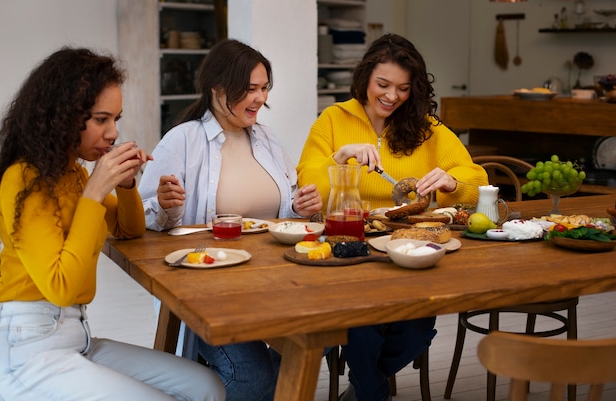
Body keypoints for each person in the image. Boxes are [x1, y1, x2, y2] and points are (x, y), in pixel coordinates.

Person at [0, 47, 225, 401]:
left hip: (76, 336)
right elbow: (61, 287)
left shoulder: (73, 175)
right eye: (102, 119)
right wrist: (96, 192)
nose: (113, 132)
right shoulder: (25, 180)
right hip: (28, 349)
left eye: (116, 119)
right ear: (63, 116)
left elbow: (129, 230)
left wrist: (127, 183)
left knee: (206, 387)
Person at [297, 34, 488, 401]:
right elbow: (312, 185)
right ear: (365, 77)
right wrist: (340, 157)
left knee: (418, 327)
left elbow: (478, 183)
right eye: (382, 85)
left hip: (410, 250)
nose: (391, 96)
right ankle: (370, 393)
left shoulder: (426, 128)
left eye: (402, 88)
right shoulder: (333, 120)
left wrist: (451, 182)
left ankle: (366, 386)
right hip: (350, 245)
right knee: (364, 325)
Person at [139, 39, 322, 401]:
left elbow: (286, 212)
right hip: (213, 290)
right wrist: (164, 205)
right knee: (251, 380)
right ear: (218, 89)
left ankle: (270, 384)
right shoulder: (183, 140)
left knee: (328, 332)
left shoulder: (268, 140)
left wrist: (301, 207)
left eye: (264, 88)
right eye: (249, 89)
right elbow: (143, 217)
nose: (259, 98)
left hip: (274, 280)